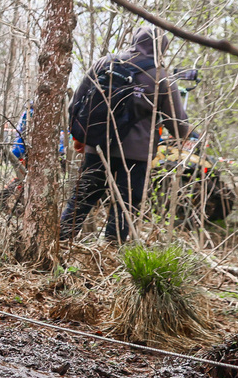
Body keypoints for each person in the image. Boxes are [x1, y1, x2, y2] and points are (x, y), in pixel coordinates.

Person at [61, 26, 192, 242]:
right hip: (135, 156)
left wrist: (79, 137)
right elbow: (177, 124)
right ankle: (112, 251)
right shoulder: (161, 77)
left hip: (97, 146)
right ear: (162, 48)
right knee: (124, 207)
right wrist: (188, 134)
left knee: (81, 200)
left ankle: (60, 244)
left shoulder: (104, 63)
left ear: (134, 40)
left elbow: (76, 102)